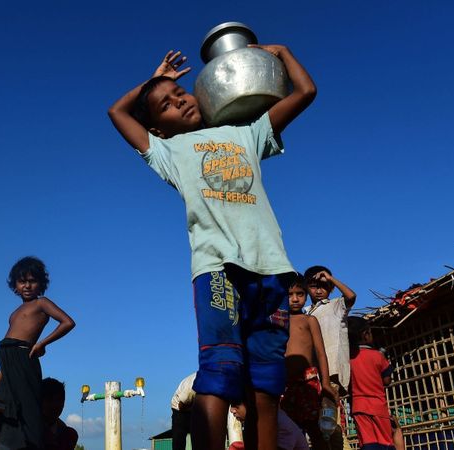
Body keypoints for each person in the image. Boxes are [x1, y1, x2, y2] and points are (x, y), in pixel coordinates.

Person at [108, 41, 316, 450]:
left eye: (180, 93)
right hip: (217, 269)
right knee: (219, 373)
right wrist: (156, 79)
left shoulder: (248, 133)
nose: (179, 100)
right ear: (158, 129)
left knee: (266, 384)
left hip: (271, 269)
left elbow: (305, 92)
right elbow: (117, 112)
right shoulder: (168, 152)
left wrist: (283, 51)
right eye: (167, 104)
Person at [0, 257, 76, 450]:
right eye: (22, 281)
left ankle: (32, 446)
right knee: (5, 410)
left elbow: (68, 322)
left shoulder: (41, 303)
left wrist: (42, 343)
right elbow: (7, 355)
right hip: (8, 362)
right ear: (15, 286)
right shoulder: (14, 313)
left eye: (32, 281)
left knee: (27, 408)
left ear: (40, 284)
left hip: (24, 359)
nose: (27, 285)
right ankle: (3, 446)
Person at [304, 265, 356, 447]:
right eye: (313, 286)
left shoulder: (336, 306)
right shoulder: (305, 312)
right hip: (312, 375)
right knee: (320, 423)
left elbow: (351, 296)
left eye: (323, 286)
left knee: (328, 421)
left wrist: (331, 278)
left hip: (331, 373)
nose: (318, 290)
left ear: (331, 288)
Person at [282, 274, 335, 449]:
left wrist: (325, 383)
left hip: (308, 382)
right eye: (290, 294)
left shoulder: (309, 320)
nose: (295, 299)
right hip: (285, 385)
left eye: (300, 294)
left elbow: (320, 353)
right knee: (289, 431)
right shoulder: (278, 320)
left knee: (316, 430)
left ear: (306, 295)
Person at [348, 316, 395, 450]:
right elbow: (387, 380)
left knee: (368, 443)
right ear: (366, 334)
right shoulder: (377, 356)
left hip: (358, 406)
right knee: (385, 441)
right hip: (377, 405)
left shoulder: (348, 359)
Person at [170, 373, 196, 450]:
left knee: (199, 437)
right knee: (179, 439)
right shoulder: (191, 387)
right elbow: (181, 406)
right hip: (179, 408)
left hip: (194, 406)